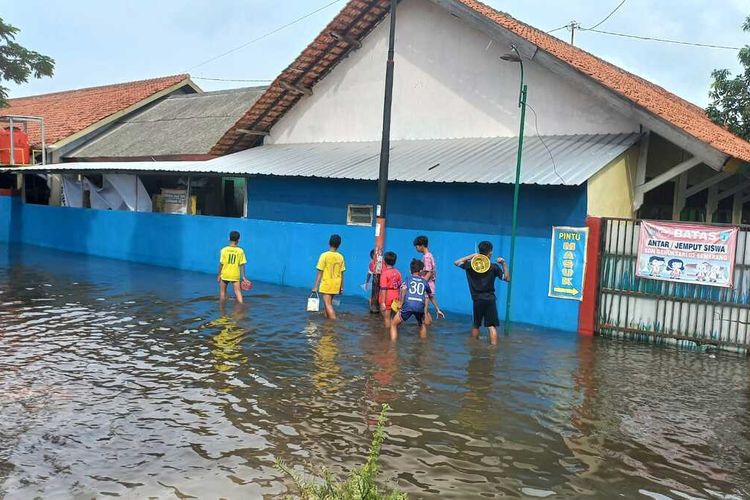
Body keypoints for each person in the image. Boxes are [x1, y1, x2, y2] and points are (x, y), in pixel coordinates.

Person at [454, 241, 510, 345]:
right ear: (490, 253)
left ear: (480, 252)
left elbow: (456, 262)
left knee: (476, 325)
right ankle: (493, 350)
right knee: (491, 326)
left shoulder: (470, 265)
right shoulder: (494, 267)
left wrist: (472, 256)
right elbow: (507, 278)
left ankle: (473, 348)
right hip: (490, 299)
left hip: (477, 299)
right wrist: (503, 263)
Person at [390, 259, 444, 341]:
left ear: (410, 270)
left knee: (393, 324)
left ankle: (392, 347)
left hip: (408, 304)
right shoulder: (424, 282)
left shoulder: (408, 279)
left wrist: (400, 303)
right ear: (421, 271)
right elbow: (431, 296)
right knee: (422, 325)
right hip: (420, 306)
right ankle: (423, 345)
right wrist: (437, 309)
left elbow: (403, 289)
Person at [312, 234, 346, 320]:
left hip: (327, 284)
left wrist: (315, 287)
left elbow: (320, 272)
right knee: (328, 303)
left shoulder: (324, 255)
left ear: (329, 243)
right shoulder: (340, 257)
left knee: (328, 304)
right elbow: (342, 273)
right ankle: (327, 325)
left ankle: (333, 324)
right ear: (339, 245)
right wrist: (341, 287)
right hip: (336, 284)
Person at [218, 230, 248, 304]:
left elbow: (221, 264)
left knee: (222, 293)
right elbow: (242, 264)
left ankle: (222, 310)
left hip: (225, 274)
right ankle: (241, 307)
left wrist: (219, 275)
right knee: (238, 292)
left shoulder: (223, 250)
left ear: (229, 239)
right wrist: (243, 277)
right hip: (235, 275)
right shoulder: (240, 251)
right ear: (239, 240)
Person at [414, 235, 437, 325]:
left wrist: (422, 284)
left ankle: (425, 331)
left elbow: (429, 272)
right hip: (430, 284)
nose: (416, 249)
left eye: (416, 246)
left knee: (424, 310)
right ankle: (429, 327)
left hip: (427, 285)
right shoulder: (429, 255)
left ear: (422, 245)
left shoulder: (426, 257)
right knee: (425, 310)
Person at [378, 251, 402, 328]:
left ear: (384, 261)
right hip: (396, 295)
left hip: (387, 296)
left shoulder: (384, 274)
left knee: (387, 318)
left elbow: (383, 288)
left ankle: (387, 336)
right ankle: (394, 332)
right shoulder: (398, 272)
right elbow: (400, 287)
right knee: (394, 317)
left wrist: (383, 302)